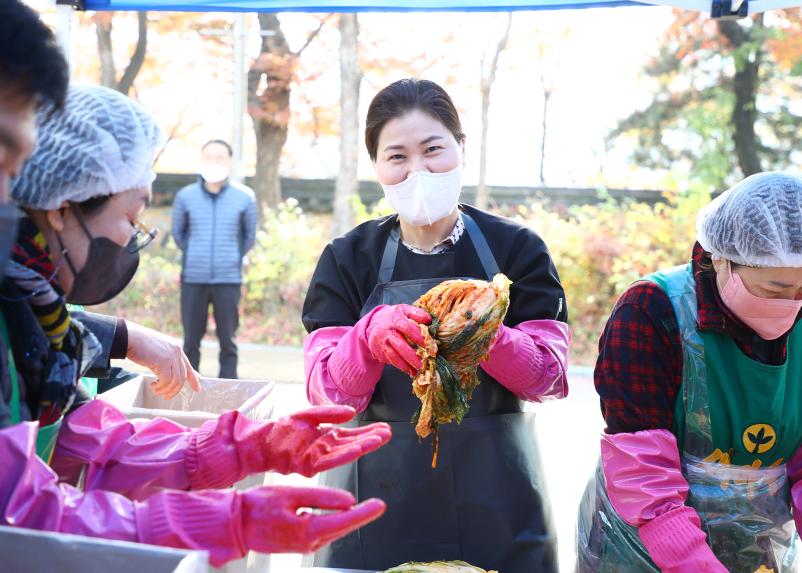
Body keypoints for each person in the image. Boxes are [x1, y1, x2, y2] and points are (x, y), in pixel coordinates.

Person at [0, 78, 390, 565]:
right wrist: (219, 521)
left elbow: (84, 442)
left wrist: (229, 448)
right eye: (132, 218)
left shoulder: (36, 312)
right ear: (61, 209)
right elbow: (18, 516)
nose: (134, 241)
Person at [302, 78, 571, 573]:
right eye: (397, 156)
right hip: (374, 509)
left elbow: (550, 380)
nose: (418, 170)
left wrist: (481, 329)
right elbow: (326, 399)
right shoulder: (347, 260)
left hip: (500, 509)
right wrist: (365, 341)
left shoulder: (517, 250)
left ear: (461, 148)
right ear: (378, 167)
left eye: (433, 150)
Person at [576, 172, 802, 573]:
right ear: (722, 260)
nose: (792, 305)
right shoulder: (650, 310)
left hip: (758, 545)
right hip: (641, 546)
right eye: (774, 288)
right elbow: (643, 474)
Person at [172, 139, 258, 379]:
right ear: (202, 160)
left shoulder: (244, 197)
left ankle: (229, 390)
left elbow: (248, 236)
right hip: (193, 278)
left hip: (228, 279)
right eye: (209, 157)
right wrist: (195, 253)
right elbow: (179, 234)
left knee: (228, 341)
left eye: (220, 157)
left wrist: (232, 256)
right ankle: (188, 388)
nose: (214, 162)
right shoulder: (185, 196)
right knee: (190, 341)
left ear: (230, 161)